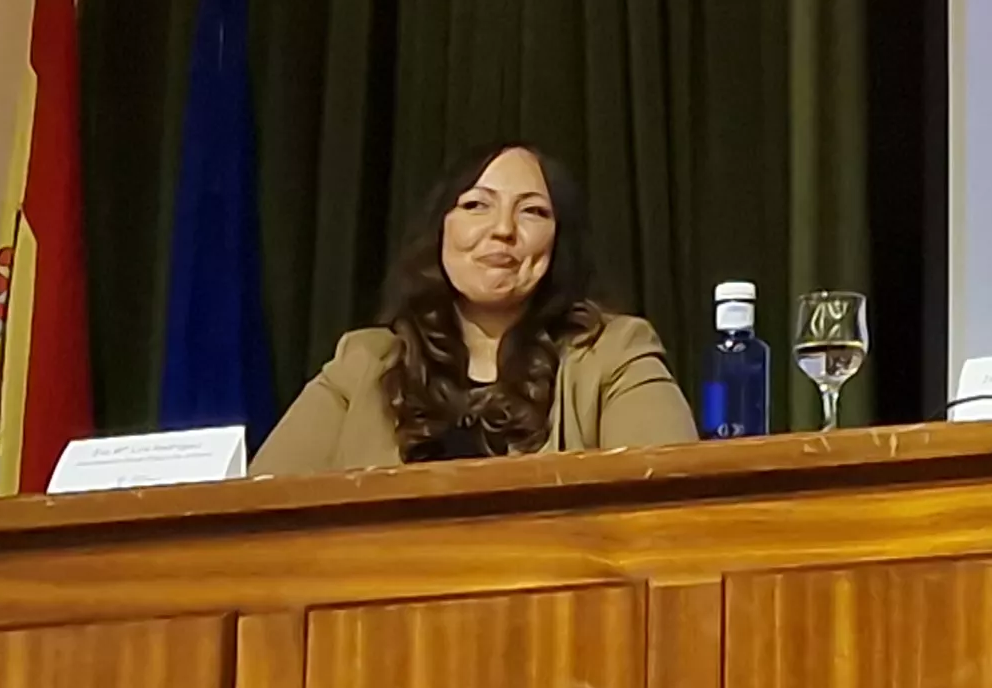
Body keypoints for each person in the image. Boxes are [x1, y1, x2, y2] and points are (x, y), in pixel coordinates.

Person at [253, 143, 695, 473]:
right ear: (440, 230)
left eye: (533, 212)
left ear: (559, 241)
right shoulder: (363, 363)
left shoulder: (614, 353)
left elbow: (670, 499)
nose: (503, 230)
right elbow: (258, 509)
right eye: (476, 205)